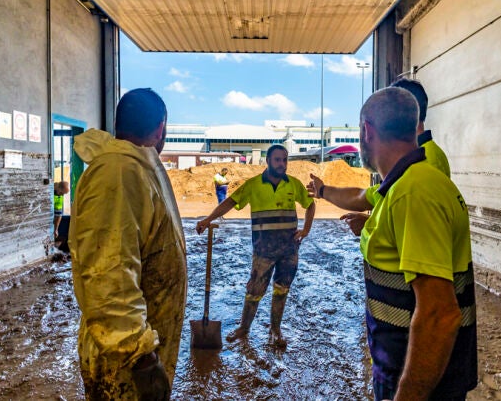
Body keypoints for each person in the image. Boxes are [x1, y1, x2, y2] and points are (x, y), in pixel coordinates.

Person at [307, 87, 477, 400]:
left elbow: (439, 314)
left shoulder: (413, 193)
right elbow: (361, 197)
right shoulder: (404, 183)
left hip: (418, 381)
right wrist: (323, 191)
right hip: (410, 369)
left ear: (366, 131)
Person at [68, 88, 186, 400]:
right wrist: (141, 358)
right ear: (161, 129)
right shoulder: (119, 173)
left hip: (135, 352)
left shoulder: (135, 168)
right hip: (126, 361)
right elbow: (109, 276)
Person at [195, 145, 316, 348]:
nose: (282, 164)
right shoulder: (253, 185)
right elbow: (230, 202)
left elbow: (310, 205)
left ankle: (275, 330)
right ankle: (244, 328)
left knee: (282, 290)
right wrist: (208, 219)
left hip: (289, 250)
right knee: (254, 291)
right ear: (268, 161)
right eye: (277, 160)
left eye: (285, 160)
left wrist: (306, 230)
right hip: (263, 251)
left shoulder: (293, 184)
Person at [318, 77, 451, 237]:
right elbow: (363, 197)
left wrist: (372, 226)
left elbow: (421, 231)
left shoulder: (426, 162)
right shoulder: (412, 160)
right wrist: (322, 190)